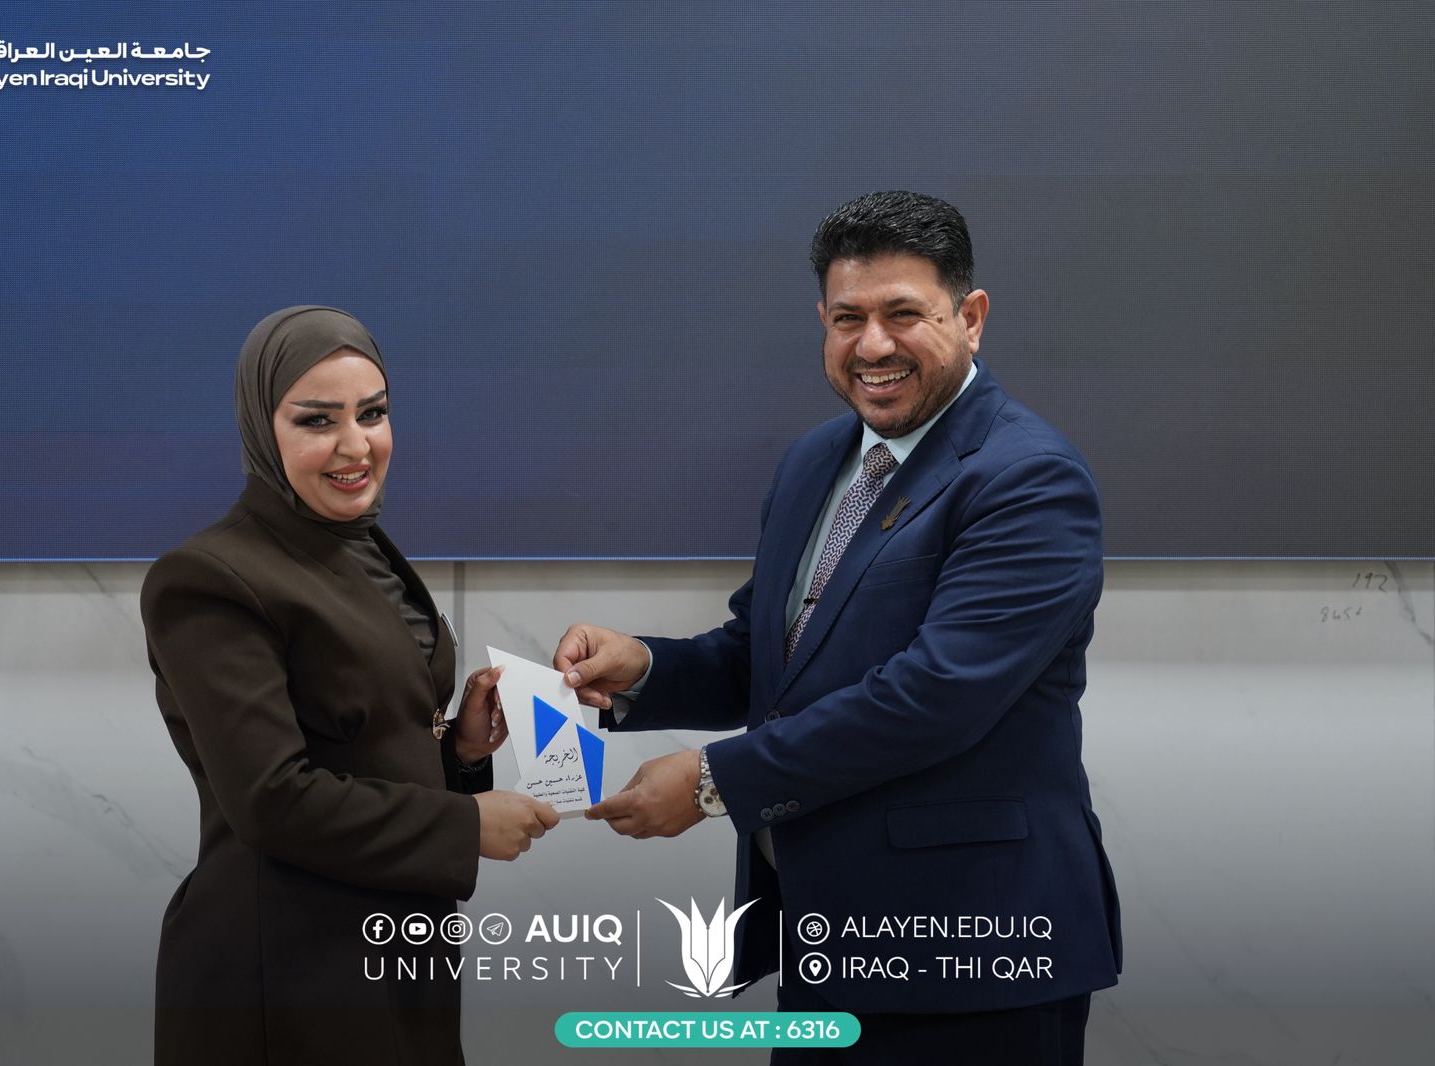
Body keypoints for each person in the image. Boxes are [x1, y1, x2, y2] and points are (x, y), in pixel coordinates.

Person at [555, 191, 1120, 1064]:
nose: (874, 346)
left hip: (977, 957)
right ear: (823, 320)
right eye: (849, 317)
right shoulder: (816, 460)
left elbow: (933, 698)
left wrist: (713, 782)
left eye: (905, 315)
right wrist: (642, 670)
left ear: (971, 318)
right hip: (828, 947)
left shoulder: (1030, 478)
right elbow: (769, 657)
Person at [142, 306, 559, 1065]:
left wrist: (463, 752)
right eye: (317, 420)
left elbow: (365, 741)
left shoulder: (358, 544)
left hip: (392, 950)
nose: (356, 445)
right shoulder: (208, 578)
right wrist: (463, 826)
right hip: (285, 973)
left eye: (372, 413)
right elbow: (272, 798)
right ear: (261, 429)